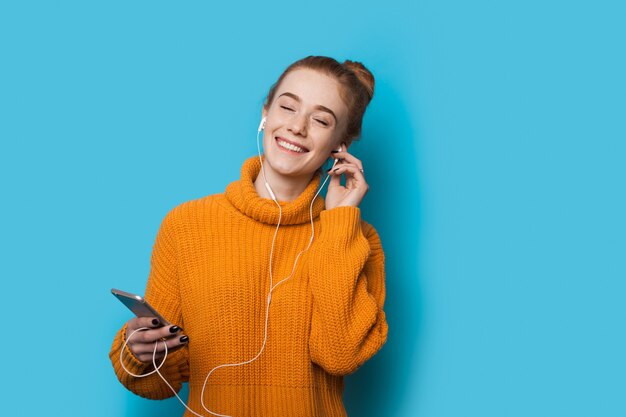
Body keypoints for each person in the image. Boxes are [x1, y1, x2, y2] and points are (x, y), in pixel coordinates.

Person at [109, 55, 388, 417]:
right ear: (265, 114)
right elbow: (158, 381)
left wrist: (339, 223)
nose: (297, 127)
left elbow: (340, 354)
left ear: (340, 145)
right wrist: (139, 349)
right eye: (287, 107)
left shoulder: (357, 238)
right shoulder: (187, 225)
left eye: (320, 120)